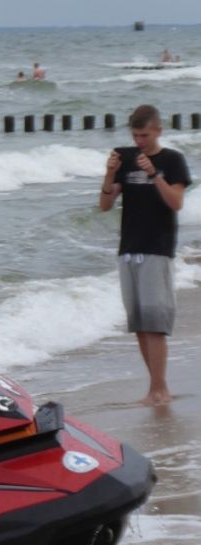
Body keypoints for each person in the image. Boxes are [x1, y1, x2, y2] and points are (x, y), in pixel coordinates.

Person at [99, 104, 191, 406]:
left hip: (157, 247)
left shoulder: (172, 160)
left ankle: (160, 389)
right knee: (139, 324)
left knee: (155, 323)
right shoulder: (124, 158)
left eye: (145, 135)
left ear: (158, 131)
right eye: (135, 135)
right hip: (128, 248)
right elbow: (105, 205)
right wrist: (110, 172)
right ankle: (156, 388)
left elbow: (176, 202)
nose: (139, 141)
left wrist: (154, 174)